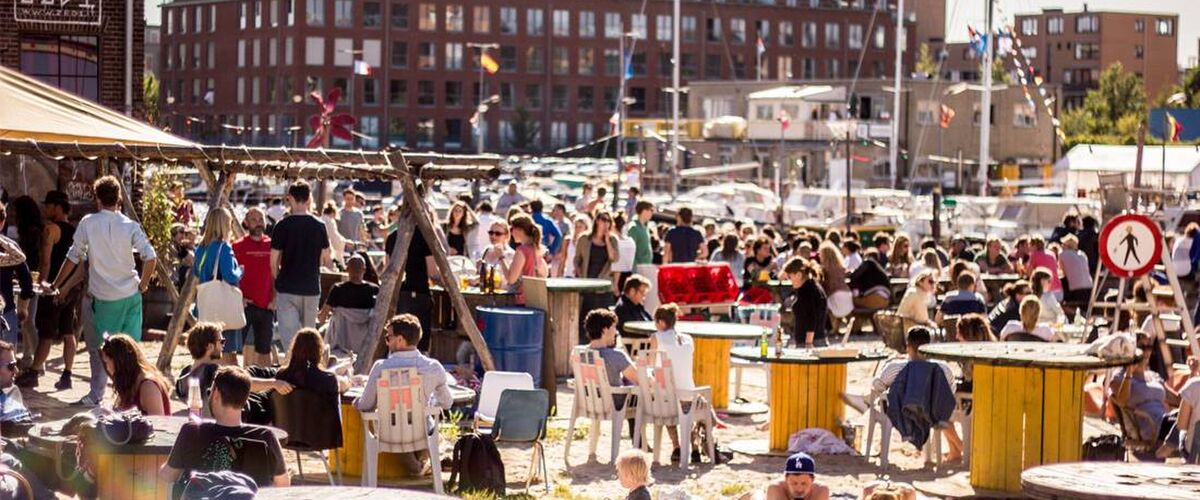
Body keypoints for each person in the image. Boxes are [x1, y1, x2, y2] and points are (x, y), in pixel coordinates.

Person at [51, 175, 157, 407]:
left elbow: (73, 256)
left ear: (97, 199)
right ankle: (133, 398)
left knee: (101, 351)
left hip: (105, 298)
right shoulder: (130, 225)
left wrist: (57, 283)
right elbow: (150, 257)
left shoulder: (88, 223)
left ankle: (96, 395)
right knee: (132, 351)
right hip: (130, 295)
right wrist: (143, 284)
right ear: (119, 198)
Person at [161, 366, 290, 491]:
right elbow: (283, 484)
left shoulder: (191, 432)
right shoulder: (265, 437)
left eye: (209, 392)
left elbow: (168, 476)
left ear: (216, 393)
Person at [355, 314, 451, 476]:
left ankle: (416, 466)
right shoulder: (433, 367)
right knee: (424, 424)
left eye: (388, 337)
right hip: (422, 433)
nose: (386, 341)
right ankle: (422, 461)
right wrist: (428, 405)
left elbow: (366, 405)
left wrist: (356, 402)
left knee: (391, 423)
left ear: (400, 340)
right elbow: (447, 403)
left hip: (389, 434)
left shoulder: (381, 368)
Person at [869, 327, 964, 462]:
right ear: (929, 347)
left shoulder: (894, 367)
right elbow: (950, 391)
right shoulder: (943, 368)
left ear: (908, 347)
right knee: (940, 408)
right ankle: (958, 448)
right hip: (933, 413)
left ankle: (957, 449)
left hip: (902, 413)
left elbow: (878, 386)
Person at [22, 191, 78, 389]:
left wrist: (43, 283)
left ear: (57, 206)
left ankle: (34, 371)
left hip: (53, 287)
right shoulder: (75, 231)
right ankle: (67, 374)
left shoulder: (51, 230)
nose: (45, 209)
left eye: (48, 205)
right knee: (67, 331)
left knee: (46, 332)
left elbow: (45, 262)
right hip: (71, 289)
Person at [271, 180, 332, 353]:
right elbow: (326, 257)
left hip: (288, 286)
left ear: (289, 198)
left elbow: (273, 260)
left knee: (290, 339)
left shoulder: (282, 226)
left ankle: (293, 371)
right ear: (309, 199)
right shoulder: (320, 226)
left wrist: (278, 279)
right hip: (311, 286)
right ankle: (309, 372)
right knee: (310, 338)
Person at [193, 207, 244, 365]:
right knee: (228, 352)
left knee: (209, 350)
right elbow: (229, 275)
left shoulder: (201, 248)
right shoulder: (224, 248)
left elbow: (196, 271)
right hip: (224, 306)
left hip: (206, 304)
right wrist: (240, 271)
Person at [1109, 330, 1174, 451]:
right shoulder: (1120, 376)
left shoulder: (1153, 376)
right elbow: (1122, 401)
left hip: (1165, 422)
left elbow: (1178, 399)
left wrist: (1193, 375)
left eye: (1149, 347)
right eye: (1141, 347)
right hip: (1149, 428)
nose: (1146, 352)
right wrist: (1129, 371)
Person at [233, 208, 275, 367]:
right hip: (244, 305)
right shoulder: (237, 246)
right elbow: (231, 275)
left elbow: (276, 274)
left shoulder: (272, 245)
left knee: (265, 350)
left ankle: (266, 386)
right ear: (246, 223)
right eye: (253, 220)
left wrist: (275, 298)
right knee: (235, 349)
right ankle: (235, 384)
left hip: (266, 306)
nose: (258, 223)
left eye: (260, 219)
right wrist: (239, 298)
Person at [99, 334, 170, 416]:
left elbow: (158, 424)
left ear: (119, 361)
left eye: (107, 362)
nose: (107, 368)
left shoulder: (148, 386)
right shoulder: (129, 382)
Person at [583, 309, 638, 409]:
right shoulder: (616, 356)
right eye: (614, 327)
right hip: (615, 403)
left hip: (589, 402)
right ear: (604, 330)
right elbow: (639, 378)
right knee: (644, 394)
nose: (616, 332)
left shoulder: (579, 353)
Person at [0, 205, 31, 347]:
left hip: (5, 310)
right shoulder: (11, 248)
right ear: (3, 222)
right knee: (7, 362)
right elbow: (26, 279)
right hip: (6, 310)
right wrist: (23, 307)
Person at [501, 214, 549, 304]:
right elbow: (545, 273)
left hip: (523, 300)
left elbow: (511, 279)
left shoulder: (522, 250)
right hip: (538, 299)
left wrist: (501, 258)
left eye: (512, 229)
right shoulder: (539, 249)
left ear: (519, 230)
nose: (511, 233)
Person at [785, 257, 827, 347]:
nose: (789, 280)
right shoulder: (811, 286)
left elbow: (811, 317)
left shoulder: (807, 291)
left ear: (799, 275)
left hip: (811, 342)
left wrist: (808, 344)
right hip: (817, 340)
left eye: (790, 276)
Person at [764, 452, 830, 500]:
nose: (799, 489)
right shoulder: (776, 489)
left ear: (813, 480)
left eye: (804, 483)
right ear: (786, 479)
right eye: (794, 483)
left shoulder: (820, 490)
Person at [817, 242, 853, 320]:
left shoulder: (824, 269)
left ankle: (830, 327)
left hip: (834, 298)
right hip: (847, 297)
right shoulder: (842, 267)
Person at [614, 275, 653, 341]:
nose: (644, 296)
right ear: (632, 291)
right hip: (635, 345)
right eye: (642, 292)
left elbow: (651, 322)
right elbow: (633, 332)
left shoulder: (637, 306)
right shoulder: (623, 309)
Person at [1059, 234, 1092, 304]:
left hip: (1076, 289)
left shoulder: (1063, 254)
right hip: (1089, 287)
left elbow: (1063, 273)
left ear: (1066, 245)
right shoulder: (1083, 254)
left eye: (1062, 244)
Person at [1026, 236, 1062, 300]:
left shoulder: (1034, 255)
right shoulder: (1051, 254)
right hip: (1059, 291)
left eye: (1030, 245)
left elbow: (1029, 273)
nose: (1029, 247)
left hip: (1046, 293)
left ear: (1034, 245)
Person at [628, 201, 654, 270]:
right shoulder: (634, 227)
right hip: (637, 268)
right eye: (651, 210)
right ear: (644, 210)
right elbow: (631, 251)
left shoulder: (645, 227)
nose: (652, 213)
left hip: (646, 266)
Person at [320, 202, 347, 268]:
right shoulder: (329, 221)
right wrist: (344, 241)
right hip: (327, 247)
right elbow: (334, 237)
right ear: (333, 212)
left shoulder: (321, 219)